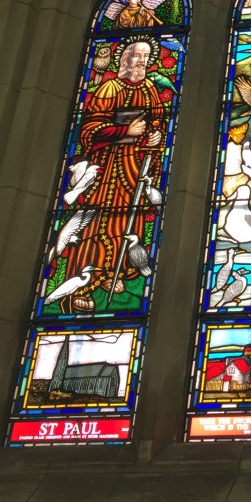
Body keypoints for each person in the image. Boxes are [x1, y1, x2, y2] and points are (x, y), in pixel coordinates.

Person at [55, 37, 166, 313]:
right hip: (106, 167)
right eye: (135, 55)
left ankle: (116, 273)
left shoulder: (151, 90)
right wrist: (123, 133)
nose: (140, 61)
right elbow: (88, 130)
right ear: (123, 59)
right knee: (96, 221)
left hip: (134, 166)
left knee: (129, 222)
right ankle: (86, 279)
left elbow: (158, 125)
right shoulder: (109, 88)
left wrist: (153, 138)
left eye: (145, 56)